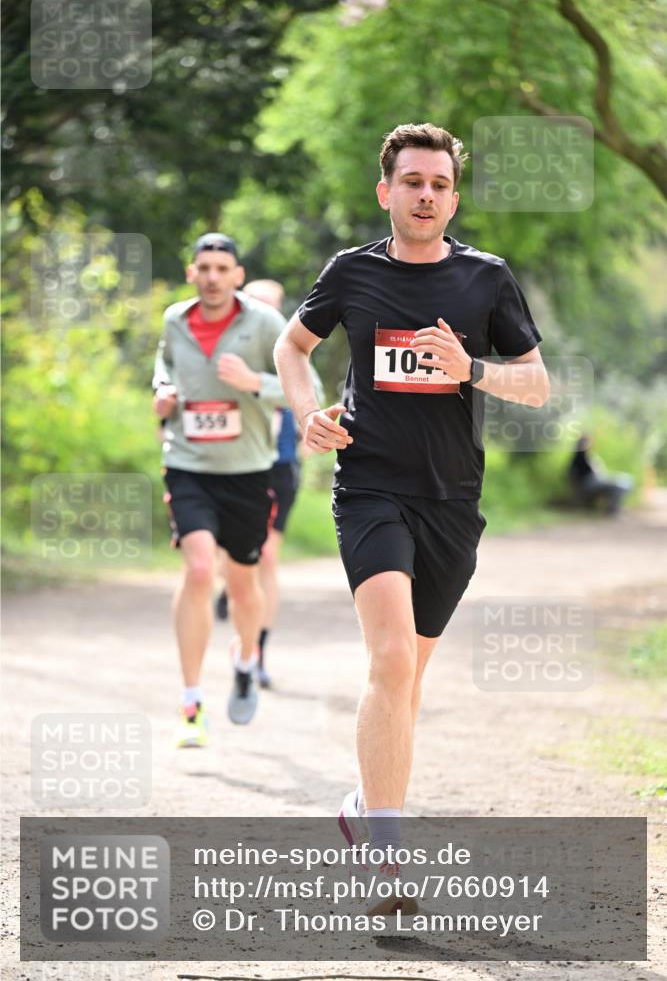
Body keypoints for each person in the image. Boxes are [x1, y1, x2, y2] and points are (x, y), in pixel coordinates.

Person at [274, 122, 550, 913]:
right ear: (385, 191)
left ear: (451, 197)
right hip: (369, 487)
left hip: (452, 501)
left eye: (437, 183)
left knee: (407, 676)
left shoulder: (485, 280)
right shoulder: (350, 273)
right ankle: (387, 865)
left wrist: (473, 371)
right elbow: (292, 350)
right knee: (390, 659)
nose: (424, 194)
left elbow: (536, 385)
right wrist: (306, 415)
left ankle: (363, 811)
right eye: (411, 181)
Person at [153, 233, 286, 744]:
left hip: (248, 472)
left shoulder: (264, 323)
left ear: (237, 275)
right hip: (187, 465)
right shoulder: (174, 319)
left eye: (221, 268)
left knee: (244, 584)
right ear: (192, 273)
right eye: (202, 267)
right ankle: (191, 701)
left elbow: (309, 390)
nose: (211, 276)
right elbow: (163, 362)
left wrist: (256, 383)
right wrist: (161, 390)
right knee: (200, 569)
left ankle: (246, 657)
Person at [216, 279, 323, 688]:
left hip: (277, 465)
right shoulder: (227, 345)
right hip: (226, 463)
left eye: (273, 308)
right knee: (231, 556)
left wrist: (308, 427)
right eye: (256, 304)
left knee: (267, 557)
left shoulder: (290, 349)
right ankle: (232, 590)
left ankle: (257, 651)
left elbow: (312, 391)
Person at [568, 433, 634, 514]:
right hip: (589, 483)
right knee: (620, 484)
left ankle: (613, 507)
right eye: (585, 442)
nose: (588, 444)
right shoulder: (580, 456)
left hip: (595, 481)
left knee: (624, 480)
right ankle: (612, 508)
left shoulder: (587, 457)